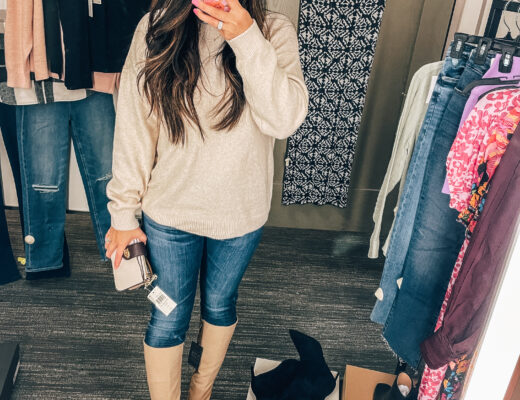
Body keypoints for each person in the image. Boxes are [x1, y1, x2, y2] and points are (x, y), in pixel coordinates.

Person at [104, 0, 308, 398]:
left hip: (240, 215)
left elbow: (284, 120)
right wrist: (123, 212)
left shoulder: (272, 31)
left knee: (219, 305)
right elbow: (134, 126)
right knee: (168, 316)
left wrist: (247, 38)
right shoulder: (156, 27)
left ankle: (201, 392)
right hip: (169, 213)